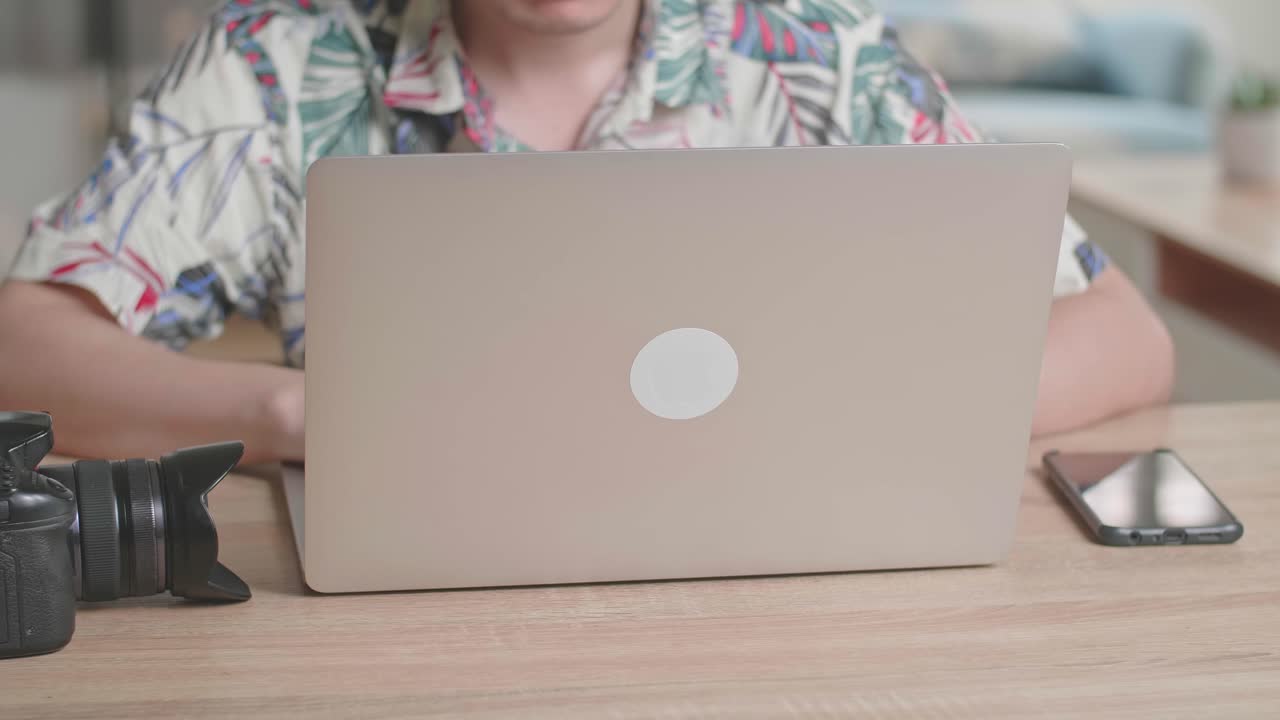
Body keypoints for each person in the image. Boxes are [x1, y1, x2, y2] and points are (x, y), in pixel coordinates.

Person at [0, 0, 1173, 463]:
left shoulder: (820, 56)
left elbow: (1120, 334)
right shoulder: (278, 61)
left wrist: (842, 418)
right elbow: (24, 345)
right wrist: (301, 414)